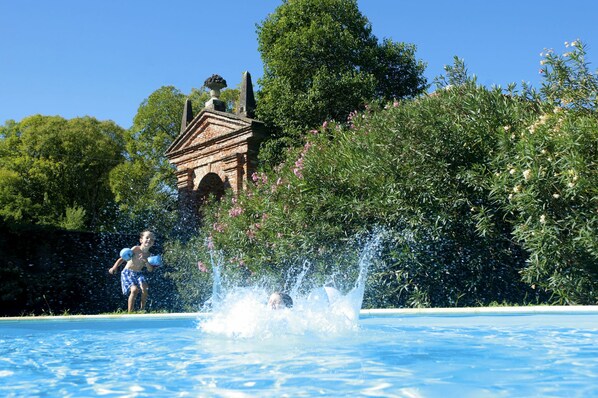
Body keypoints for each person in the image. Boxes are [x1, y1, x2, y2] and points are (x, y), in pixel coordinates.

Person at [109, 230, 156, 312]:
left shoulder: (149, 255)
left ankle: (142, 309)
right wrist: (114, 267)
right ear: (141, 240)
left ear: (153, 243)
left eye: (152, 239)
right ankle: (130, 312)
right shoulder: (135, 249)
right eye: (147, 237)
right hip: (127, 272)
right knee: (134, 290)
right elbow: (122, 259)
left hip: (138, 274)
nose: (149, 240)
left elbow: (150, 269)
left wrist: (146, 262)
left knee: (145, 288)